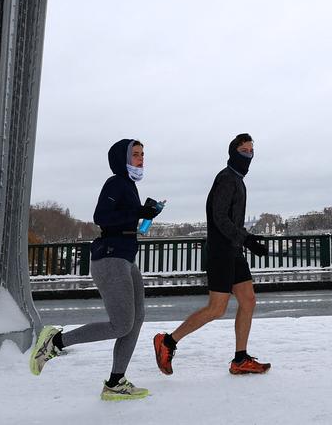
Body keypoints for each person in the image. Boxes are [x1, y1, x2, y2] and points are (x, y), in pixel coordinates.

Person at [29, 138, 164, 401]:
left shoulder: (129, 185)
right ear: (122, 159)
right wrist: (138, 210)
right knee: (121, 324)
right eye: (135, 155)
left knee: (136, 318)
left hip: (125, 258)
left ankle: (116, 382)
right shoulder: (115, 183)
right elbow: (101, 217)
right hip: (110, 258)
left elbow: (123, 219)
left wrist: (144, 212)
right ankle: (54, 343)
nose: (141, 159)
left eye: (142, 155)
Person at [153, 133, 271, 376]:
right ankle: (168, 342)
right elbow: (219, 217)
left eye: (251, 151)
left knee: (248, 300)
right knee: (216, 308)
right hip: (220, 252)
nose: (248, 155)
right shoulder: (227, 179)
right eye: (244, 151)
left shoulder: (238, 180)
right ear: (232, 153)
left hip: (233, 250)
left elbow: (232, 219)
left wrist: (245, 239)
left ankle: (240, 359)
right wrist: (246, 239)